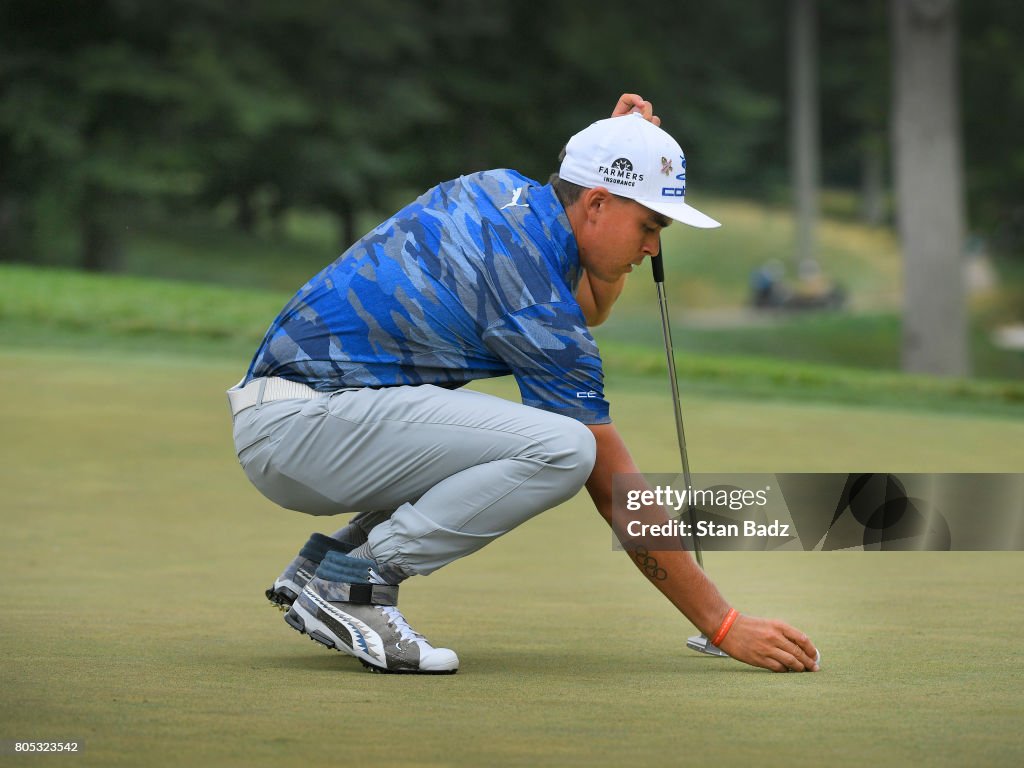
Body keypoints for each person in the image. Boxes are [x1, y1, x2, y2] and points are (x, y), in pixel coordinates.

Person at [228, 94, 819, 675]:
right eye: (649, 223)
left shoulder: (505, 196)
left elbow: (586, 303)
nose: (653, 245)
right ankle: (356, 585)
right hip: (301, 433)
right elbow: (615, 491)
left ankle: (324, 566)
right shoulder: (530, 289)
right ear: (595, 204)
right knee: (567, 448)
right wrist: (722, 623)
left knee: (525, 436)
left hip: (303, 421)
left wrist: (614, 145)